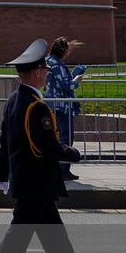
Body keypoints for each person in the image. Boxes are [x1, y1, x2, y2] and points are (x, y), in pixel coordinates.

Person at [0, 39, 107, 253]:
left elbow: (6, 142)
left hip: (32, 185)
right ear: (37, 72)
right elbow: (47, 147)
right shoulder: (35, 107)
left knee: (57, 241)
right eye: (45, 70)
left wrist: (0, 174)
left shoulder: (16, 100)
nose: (47, 74)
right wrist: (73, 153)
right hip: (35, 186)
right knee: (16, 243)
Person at [45, 38, 85, 181]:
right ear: (63, 50)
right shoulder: (57, 64)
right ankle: (63, 170)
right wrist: (76, 79)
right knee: (66, 138)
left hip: (50, 105)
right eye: (68, 50)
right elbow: (66, 86)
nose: (68, 53)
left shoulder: (47, 61)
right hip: (62, 107)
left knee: (53, 138)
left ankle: (54, 168)